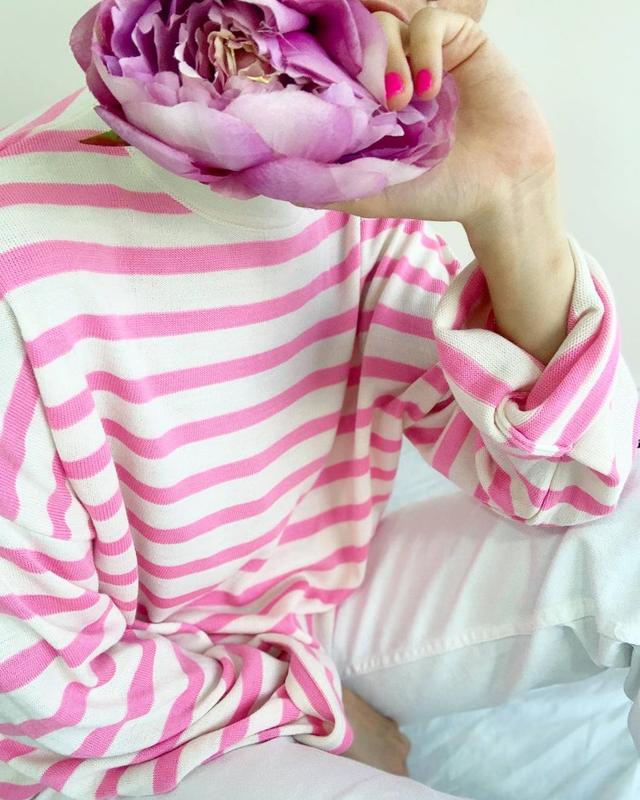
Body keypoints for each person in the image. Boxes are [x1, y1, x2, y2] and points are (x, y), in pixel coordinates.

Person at [1, 1, 638, 798]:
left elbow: (576, 482)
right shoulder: (23, 279)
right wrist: (311, 706)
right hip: (114, 732)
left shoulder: (351, 182)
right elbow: (49, 692)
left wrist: (517, 199)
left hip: (296, 619)